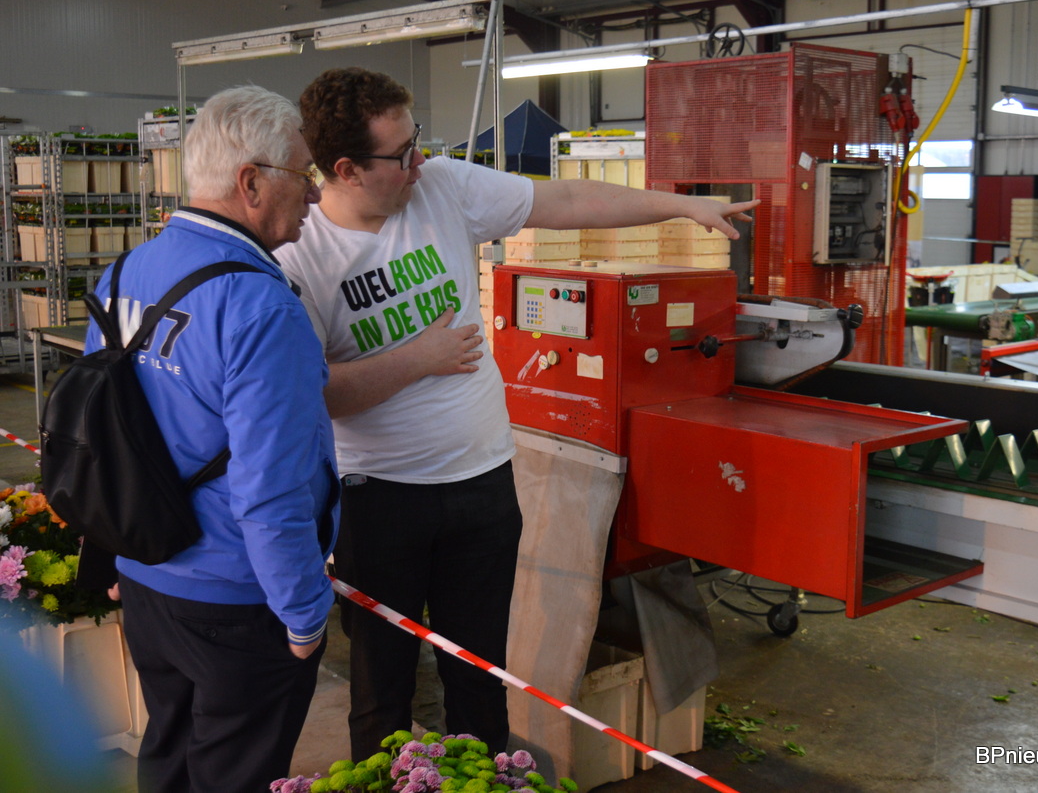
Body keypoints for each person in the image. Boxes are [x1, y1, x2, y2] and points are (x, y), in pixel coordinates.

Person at [275, 67, 758, 760]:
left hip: (482, 485)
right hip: (377, 498)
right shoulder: (301, 254)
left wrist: (679, 206)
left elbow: (566, 198)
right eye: (401, 154)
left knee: (479, 675)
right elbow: (310, 393)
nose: (420, 162)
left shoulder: (441, 186)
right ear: (346, 169)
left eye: (418, 141)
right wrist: (420, 357)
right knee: (382, 689)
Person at [86, 85, 341, 793]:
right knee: (235, 773)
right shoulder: (262, 306)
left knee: (168, 754)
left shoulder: (122, 273)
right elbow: (272, 487)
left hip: (146, 573)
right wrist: (304, 613)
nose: (315, 194)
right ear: (250, 182)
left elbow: (99, 436)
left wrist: (111, 549)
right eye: (304, 173)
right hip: (236, 596)